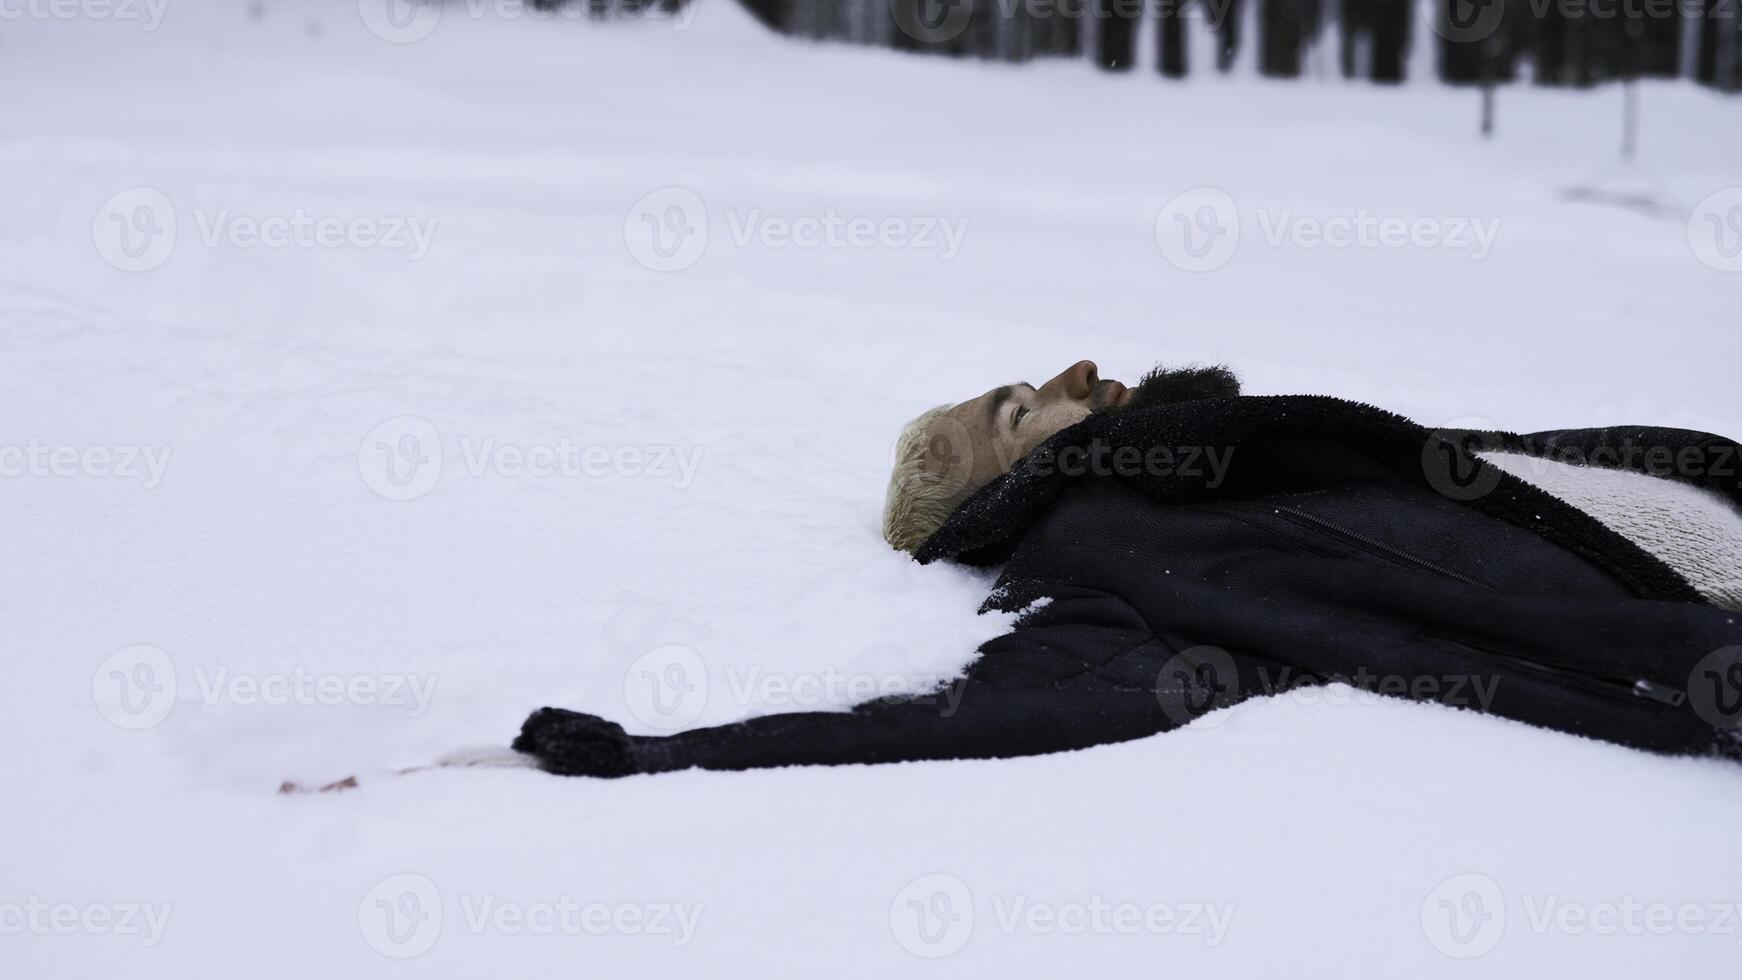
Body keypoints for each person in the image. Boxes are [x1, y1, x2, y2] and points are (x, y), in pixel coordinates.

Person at [511, 360, 1742, 777]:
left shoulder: (1199, 463)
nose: (1073, 377)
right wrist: (658, 751)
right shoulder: (1110, 542)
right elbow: (970, 719)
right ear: (997, 491)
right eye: (1018, 407)